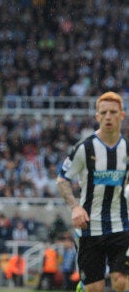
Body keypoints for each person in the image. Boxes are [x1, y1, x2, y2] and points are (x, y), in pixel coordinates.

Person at [57, 91, 129, 292]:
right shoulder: (84, 148)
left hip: (120, 226)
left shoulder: (127, 149)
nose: (108, 116)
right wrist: (75, 207)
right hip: (90, 227)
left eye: (113, 112)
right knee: (94, 288)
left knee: (121, 282)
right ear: (97, 116)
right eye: (103, 112)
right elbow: (62, 179)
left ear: (121, 115)